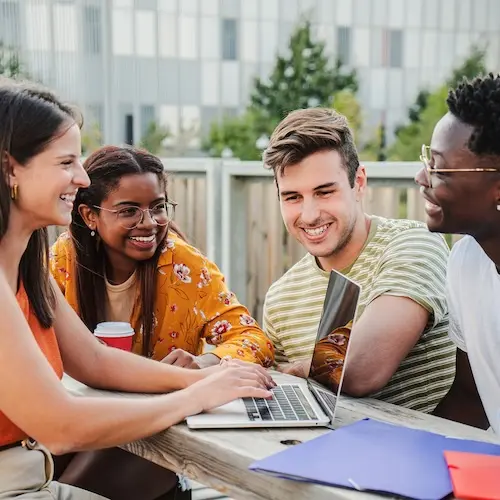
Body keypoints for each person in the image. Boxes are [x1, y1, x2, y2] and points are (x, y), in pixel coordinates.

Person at [0, 79, 274, 500]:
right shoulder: (54, 264)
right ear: (9, 168)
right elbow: (59, 425)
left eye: (157, 207)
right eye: (66, 162)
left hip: (30, 472)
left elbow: (94, 361)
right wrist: (195, 397)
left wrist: (204, 376)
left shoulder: (29, 269)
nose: (81, 176)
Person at [49, 144, 275, 499]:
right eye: (129, 211)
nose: (149, 222)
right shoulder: (63, 261)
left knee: (67, 489)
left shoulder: (184, 267)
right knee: (47, 474)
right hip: (82, 418)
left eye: (157, 207)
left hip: (155, 431)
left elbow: (251, 337)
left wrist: (205, 362)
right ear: (90, 215)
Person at [262, 107, 456, 413]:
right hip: (325, 454)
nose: (310, 215)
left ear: (359, 182)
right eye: (292, 197)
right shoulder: (280, 299)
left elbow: (362, 369)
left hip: (429, 453)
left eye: (325, 192)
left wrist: (298, 368)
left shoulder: (415, 243)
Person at [415, 73, 500, 433]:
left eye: (440, 169)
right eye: (427, 160)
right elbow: (469, 398)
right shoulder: (466, 261)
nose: (423, 177)